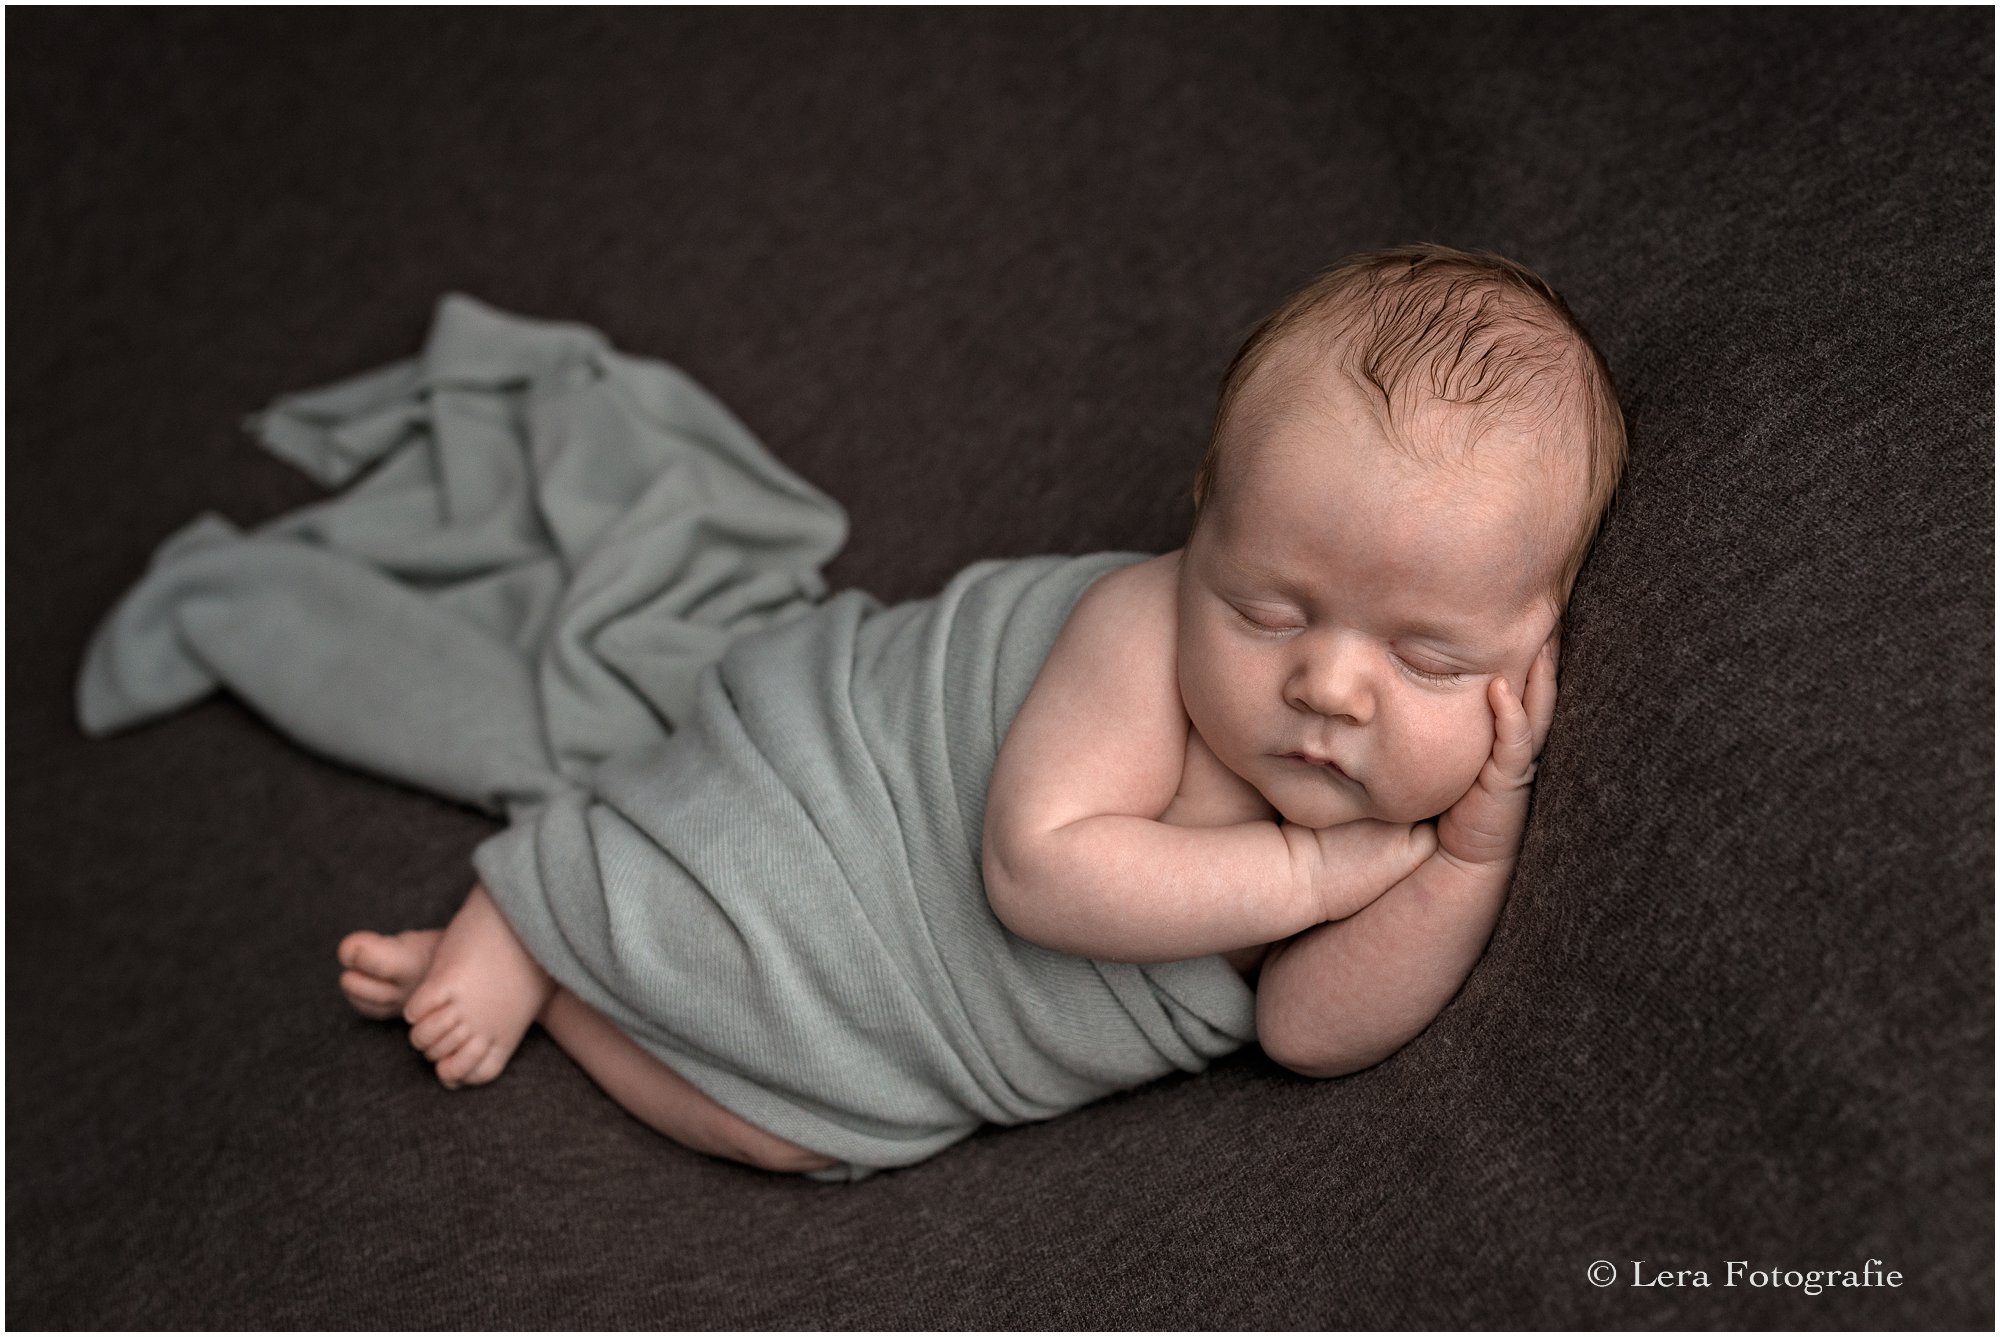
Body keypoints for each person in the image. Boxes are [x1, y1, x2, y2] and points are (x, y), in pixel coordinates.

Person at [334, 243, 1627, 1176]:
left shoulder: (1424, 815)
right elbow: (1035, 870)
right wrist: (1305, 872)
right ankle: (541, 903)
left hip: (913, 1040)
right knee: (710, 884)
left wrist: (1468, 858)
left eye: (1429, 659)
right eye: (1269, 609)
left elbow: (1305, 1030)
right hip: (856, 823)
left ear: (1535, 650)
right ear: (1205, 527)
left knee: (794, 1139)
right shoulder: (1140, 630)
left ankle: (563, 990)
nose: (1330, 686)